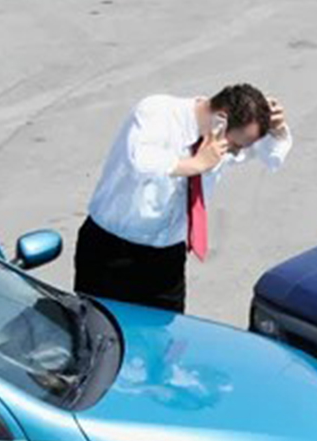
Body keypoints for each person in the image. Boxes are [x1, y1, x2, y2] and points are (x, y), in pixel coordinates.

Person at [74, 83, 292, 313]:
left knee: (166, 339)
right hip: (112, 251)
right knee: (98, 335)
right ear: (221, 120)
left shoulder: (219, 140)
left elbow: (272, 157)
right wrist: (196, 164)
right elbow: (140, 162)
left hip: (167, 259)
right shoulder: (157, 111)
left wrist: (277, 130)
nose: (235, 153)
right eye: (235, 146)